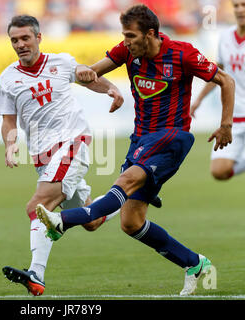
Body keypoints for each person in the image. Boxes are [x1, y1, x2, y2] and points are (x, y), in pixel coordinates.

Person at [36, 4, 235, 296]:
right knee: (131, 223)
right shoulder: (127, 51)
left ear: (150, 34)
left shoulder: (182, 53)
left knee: (125, 182)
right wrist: (78, 75)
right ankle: (194, 263)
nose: (126, 41)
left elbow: (225, 80)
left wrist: (226, 124)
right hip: (141, 139)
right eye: (124, 35)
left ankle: (62, 221)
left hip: (172, 137)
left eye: (130, 35)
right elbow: (90, 74)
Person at [0, 15, 126, 296]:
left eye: (25, 38)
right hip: (42, 158)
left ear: (38, 38)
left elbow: (87, 75)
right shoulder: (7, 79)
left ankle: (36, 274)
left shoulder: (61, 62)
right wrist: (10, 143)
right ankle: (131, 193)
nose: (20, 44)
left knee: (37, 206)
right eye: (14, 40)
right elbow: (9, 120)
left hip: (72, 144)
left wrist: (111, 89)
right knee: (91, 221)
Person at [191, 0, 245, 181]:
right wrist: (199, 99)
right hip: (234, 117)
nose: (239, 9)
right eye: (236, 5)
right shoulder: (225, 36)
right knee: (219, 171)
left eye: (243, 5)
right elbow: (218, 74)